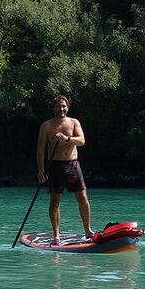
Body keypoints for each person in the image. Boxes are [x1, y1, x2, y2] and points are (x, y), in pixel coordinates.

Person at [36, 95, 93, 242]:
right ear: (53, 108)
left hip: (72, 164)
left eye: (64, 106)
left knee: (83, 198)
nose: (61, 108)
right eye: (58, 106)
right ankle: (56, 234)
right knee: (55, 200)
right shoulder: (46, 126)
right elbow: (41, 149)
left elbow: (82, 141)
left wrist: (67, 138)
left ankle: (88, 230)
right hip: (54, 166)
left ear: (67, 107)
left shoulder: (74, 122)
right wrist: (41, 170)